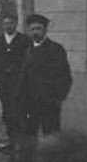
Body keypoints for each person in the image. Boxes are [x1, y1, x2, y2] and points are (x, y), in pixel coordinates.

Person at [18, 13, 73, 142]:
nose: (35, 32)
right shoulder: (26, 51)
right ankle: (30, 161)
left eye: (38, 28)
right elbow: (22, 76)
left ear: (45, 30)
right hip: (29, 103)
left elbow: (65, 77)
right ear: (28, 31)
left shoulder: (55, 50)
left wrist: (57, 98)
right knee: (28, 137)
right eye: (32, 29)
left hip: (49, 104)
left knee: (52, 137)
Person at [0, 10, 29, 152]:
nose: (8, 26)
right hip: (4, 84)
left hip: (20, 84)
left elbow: (28, 61)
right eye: (5, 24)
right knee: (7, 112)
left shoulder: (24, 41)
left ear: (16, 24)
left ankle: (22, 144)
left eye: (11, 23)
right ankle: (11, 142)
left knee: (20, 112)